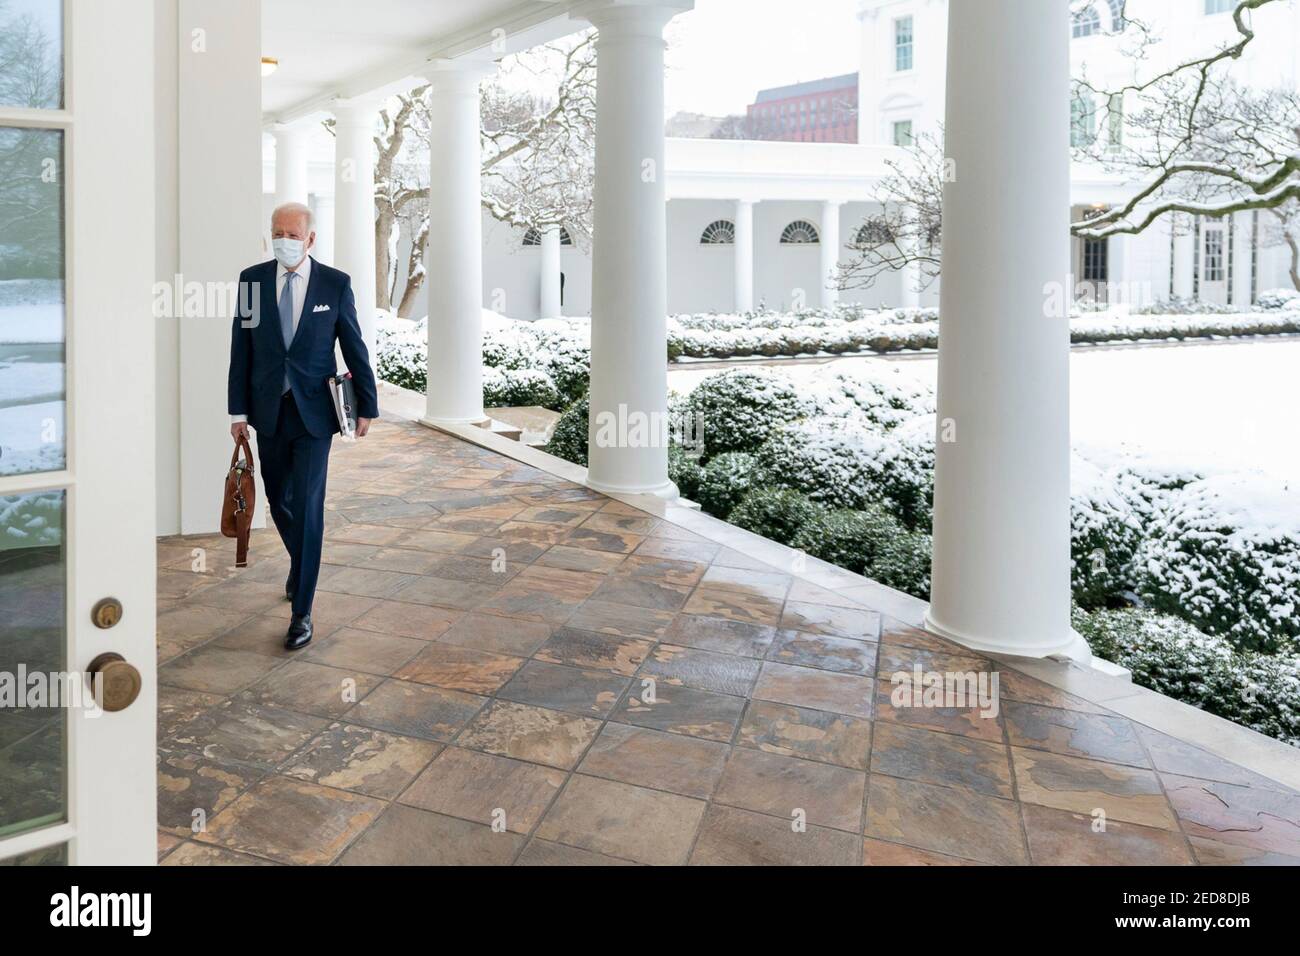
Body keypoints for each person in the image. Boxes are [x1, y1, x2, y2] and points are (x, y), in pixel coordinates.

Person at [227, 202, 379, 650]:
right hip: (268, 412)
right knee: (279, 500)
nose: (284, 241)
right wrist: (238, 414)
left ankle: (302, 613)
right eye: (277, 232)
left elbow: (355, 347)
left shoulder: (334, 284)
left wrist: (367, 405)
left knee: (310, 508)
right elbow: (242, 349)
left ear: (310, 239)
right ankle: (301, 564)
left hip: (316, 415)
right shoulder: (252, 281)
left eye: (293, 234)